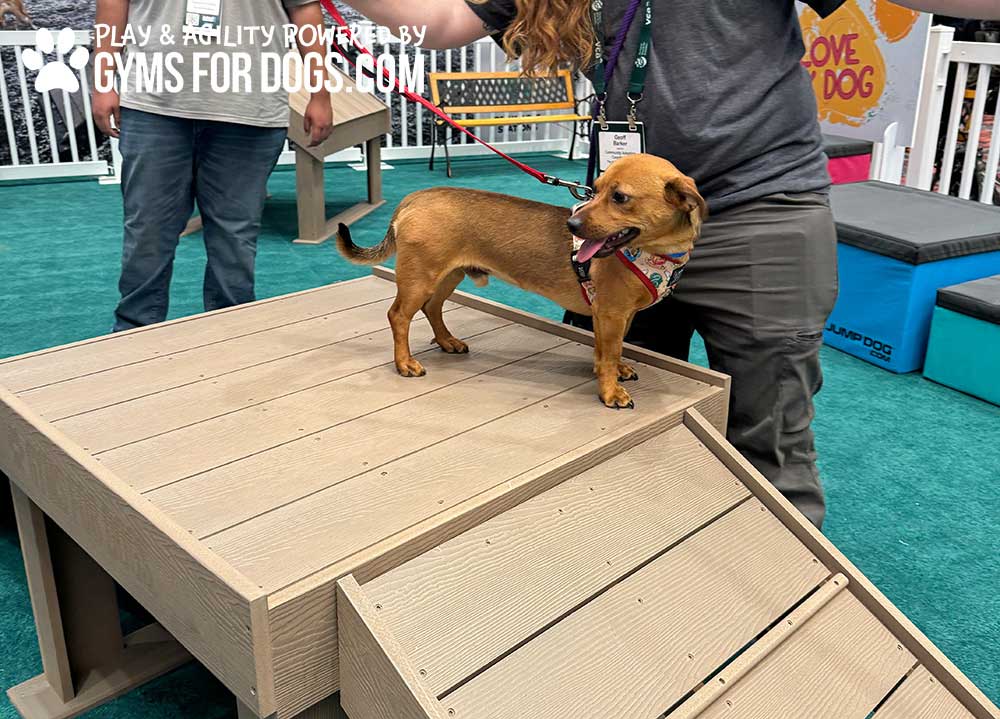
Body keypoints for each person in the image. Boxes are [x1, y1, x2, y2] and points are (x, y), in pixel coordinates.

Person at [345, 0, 989, 528]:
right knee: (605, 425)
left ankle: (769, 606)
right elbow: (439, 20)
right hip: (622, 228)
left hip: (760, 210)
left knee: (769, 442)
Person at [93, 0, 334, 331]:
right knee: (147, 230)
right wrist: (103, 80)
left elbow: (305, 10)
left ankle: (231, 336)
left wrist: (320, 92)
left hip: (249, 107)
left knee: (235, 236)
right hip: (154, 104)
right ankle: (133, 334)